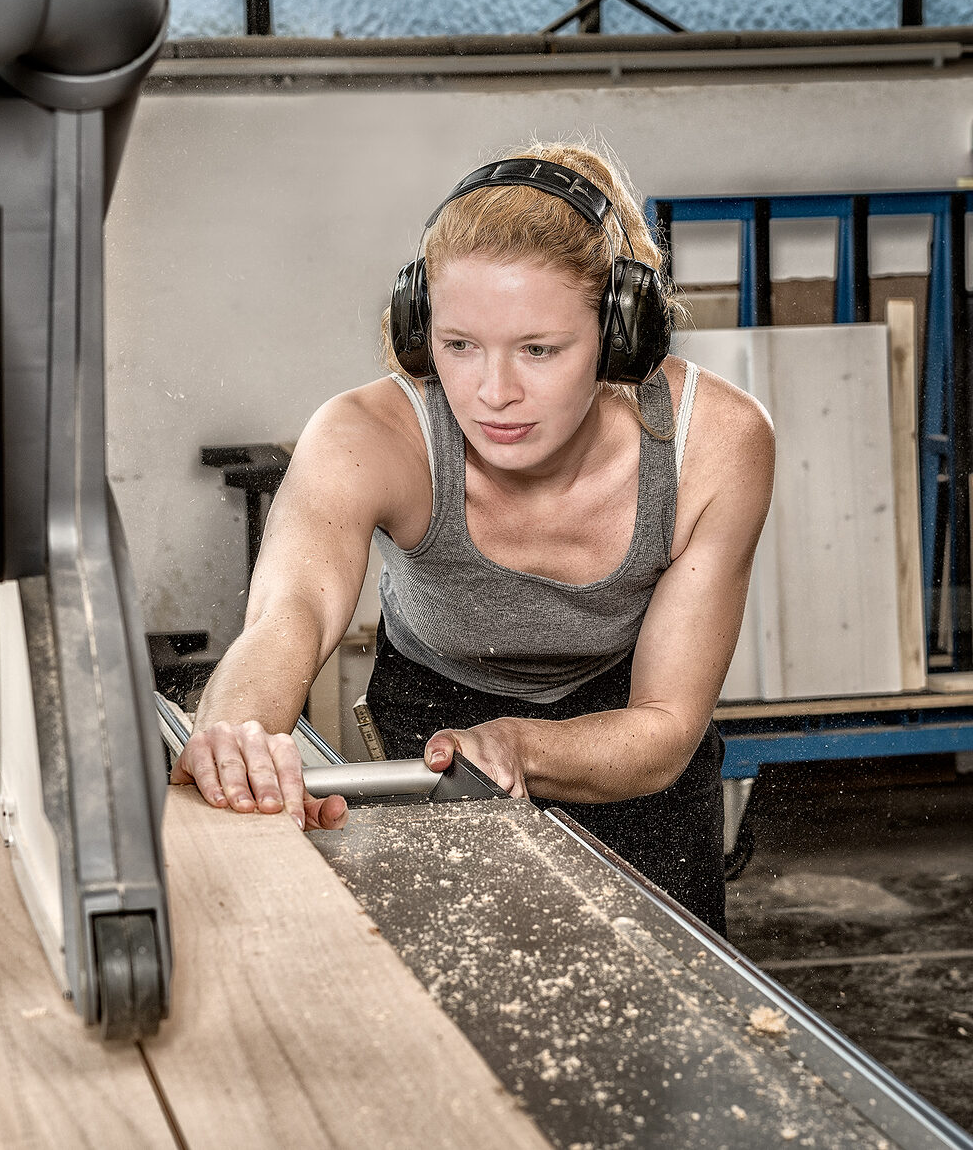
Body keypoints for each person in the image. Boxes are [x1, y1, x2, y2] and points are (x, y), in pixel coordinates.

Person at [170, 141, 774, 935]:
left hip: (627, 732)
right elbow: (293, 615)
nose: (493, 393)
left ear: (620, 337)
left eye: (538, 350)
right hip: (432, 709)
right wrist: (238, 733)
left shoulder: (715, 444)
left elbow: (662, 725)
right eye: (459, 346)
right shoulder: (370, 434)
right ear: (423, 331)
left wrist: (522, 744)